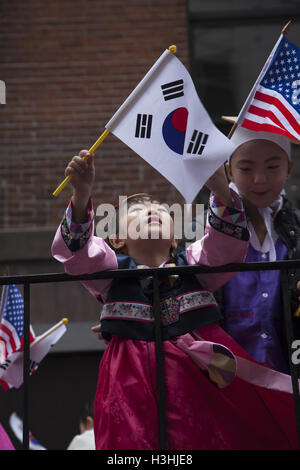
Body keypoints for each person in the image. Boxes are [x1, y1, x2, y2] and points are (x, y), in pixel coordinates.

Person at [52, 149, 299, 450]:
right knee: (132, 442)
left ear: (173, 237)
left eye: (159, 209)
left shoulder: (195, 264)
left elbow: (226, 247)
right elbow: (78, 255)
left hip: (194, 374)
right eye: (139, 211)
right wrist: (82, 194)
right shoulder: (110, 272)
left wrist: (220, 189)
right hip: (129, 375)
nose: (152, 210)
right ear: (116, 239)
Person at [211, 125, 300, 374]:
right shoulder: (204, 231)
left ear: (289, 168)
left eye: (272, 167)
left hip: (291, 376)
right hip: (226, 379)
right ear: (229, 170)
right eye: (246, 168)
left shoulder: (298, 230)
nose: (259, 179)